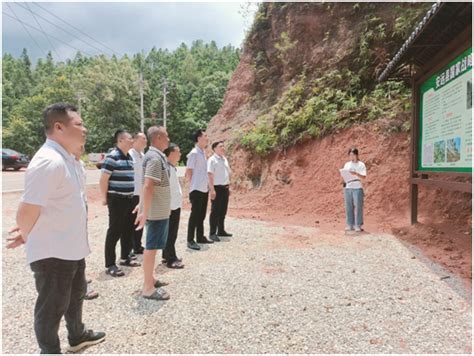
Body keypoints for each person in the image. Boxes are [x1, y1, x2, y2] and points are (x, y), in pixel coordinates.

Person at [6, 103, 105, 353]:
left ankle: (77, 335)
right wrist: (26, 232)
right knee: (51, 309)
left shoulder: (68, 159)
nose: (85, 129)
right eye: (79, 124)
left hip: (71, 247)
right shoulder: (49, 161)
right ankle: (49, 350)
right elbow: (27, 208)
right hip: (54, 252)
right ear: (59, 127)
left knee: (75, 295)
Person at [135, 126, 172, 300]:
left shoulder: (155, 156)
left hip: (157, 210)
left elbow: (146, 185)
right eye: (166, 136)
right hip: (156, 212)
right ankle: (148, 288)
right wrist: (144, 210)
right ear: (158, 137)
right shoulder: (155, 158)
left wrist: (142, 206)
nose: (169, 139)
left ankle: (151, 279)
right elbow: (148, 185)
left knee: (154, 247)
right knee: (151, 248)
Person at [100, 129, 140, 277]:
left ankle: (125, 257)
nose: (132, 140)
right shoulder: (112, 157)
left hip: (129, 198)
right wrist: (105, 198)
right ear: (121, 140)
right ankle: (110, 264)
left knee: (128, 230)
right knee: (114, 231)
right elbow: (103, 179)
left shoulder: (129, 157)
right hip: (116, 199)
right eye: (130, 138)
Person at [73, 145, 99, 300]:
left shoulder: (80, 165)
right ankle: (79, 283)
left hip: (81, 209)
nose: (81, 147)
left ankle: (79, 277)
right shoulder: (62, 163)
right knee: (74, 248)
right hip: (70, 214)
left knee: (81, 244)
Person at [186, 129, 213, 250]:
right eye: (205, 136)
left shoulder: (203, 152)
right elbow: (189, 171)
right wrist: (192, 186)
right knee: (194, 215)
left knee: (201, 214)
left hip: (203, 188)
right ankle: (190, 240)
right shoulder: (194, 153)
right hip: (196, 188)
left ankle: (200, 236)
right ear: (198, 138)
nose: (207, 138)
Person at [162, 143, 185, 268]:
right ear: (171, 153)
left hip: (174, 205)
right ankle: (171, 259)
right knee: (170, 233)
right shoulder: (166, 168)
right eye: (178, 152)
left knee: (171, 232)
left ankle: (167, 255)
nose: (180, 154)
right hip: (170, 206)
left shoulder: (171, 167)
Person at [208, 141, 233, 241]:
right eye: (220, 146)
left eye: (223, 146)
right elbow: (210, 174)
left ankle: (221, 230)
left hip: (225, 188)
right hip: (216, 188)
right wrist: (212, 190)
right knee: (215, 211)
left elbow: (228, 173)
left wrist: (229, 186)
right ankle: (212, 233)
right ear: (214, 148)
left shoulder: (224, 159)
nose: (223, 148)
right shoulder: (212, 160)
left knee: (223, 210)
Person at [129, 132, 148, 256]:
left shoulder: (143, 155)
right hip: (132, 193)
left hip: (142, 193)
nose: (145, 141)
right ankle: (129, 248)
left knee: (140, 219)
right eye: (143, 139)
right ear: (134, 140)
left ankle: (137, 245)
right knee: (130, 222)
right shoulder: (129, 155)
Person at [343, 148, 366, 232]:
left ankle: (358, 225)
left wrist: (356, 173)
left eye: (353, 155)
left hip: (357, 187)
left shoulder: (361, 165)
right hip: (348, 186)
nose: (351, 157)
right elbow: (344, 175)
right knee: (348, 206)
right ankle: (350, 224)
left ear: (357, 155)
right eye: (350, 155)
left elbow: (364, 177)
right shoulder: (347, 164)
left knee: (358, 206)